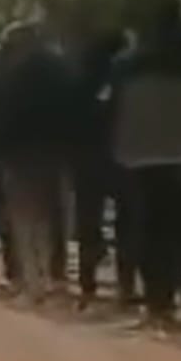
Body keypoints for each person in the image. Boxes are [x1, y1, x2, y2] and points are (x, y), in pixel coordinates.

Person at [110, 1, 181, 333]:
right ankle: (166, 302)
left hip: (139, 151)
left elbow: (113, 107)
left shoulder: (129, 64)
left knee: (143, 230)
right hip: (180, 152)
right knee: (171, 230)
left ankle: (154, 303)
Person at [0, 24, 75, 304]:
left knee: (23, 220)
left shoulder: (9, 77)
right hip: (51, 151)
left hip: (18, 154)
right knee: (47, 217)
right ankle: (51, 274)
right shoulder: (58, 72)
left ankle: (32, 282)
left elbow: (2, 115)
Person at [72, 32, 130, 307]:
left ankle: (87, 283)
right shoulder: (123, 82)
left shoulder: (79, 83)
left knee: (88, 221)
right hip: (119, 155)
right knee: (126, 221)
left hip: (85, 158)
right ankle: (125, 283)